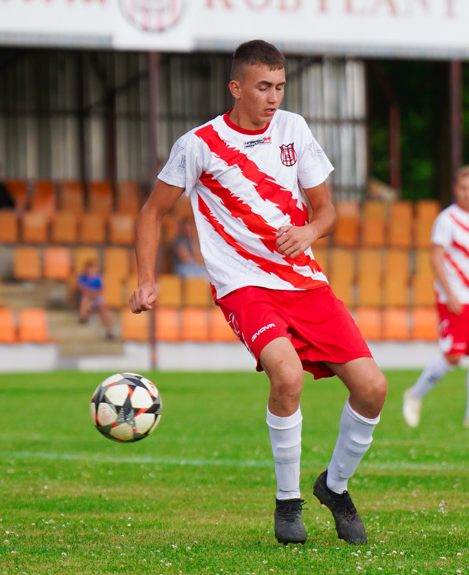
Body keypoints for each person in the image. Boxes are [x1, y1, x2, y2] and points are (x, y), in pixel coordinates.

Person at [129, 39, 387, 546]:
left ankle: (334, 488)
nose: (274, 97)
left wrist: (310, 233)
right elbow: (151, 212)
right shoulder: (198, 145)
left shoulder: (295, 129)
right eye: (264, 86)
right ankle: (288, 503)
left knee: (373, 389)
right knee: (287, 377)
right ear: (237, 87)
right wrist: (145, 278)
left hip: (305, 283)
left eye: (280, 86)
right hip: (245, 286)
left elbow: (327, 211)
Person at [402, 165, 469, 430]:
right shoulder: (447, 219)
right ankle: (414, 394)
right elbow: (436, 256)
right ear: (457, 189)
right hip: (454, 298)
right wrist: (449, 291)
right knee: (453, 356)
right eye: (464, 188)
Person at [77, 259, 114, 340]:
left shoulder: (99, 278)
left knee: (103, 308)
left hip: (96, 298)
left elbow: (102, 291)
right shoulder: (82, 277)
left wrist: (94, 295)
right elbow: (82, 290)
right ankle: (83, 317)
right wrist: (91, 295)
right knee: (85, 299)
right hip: (88, 298)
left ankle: (109, 330)